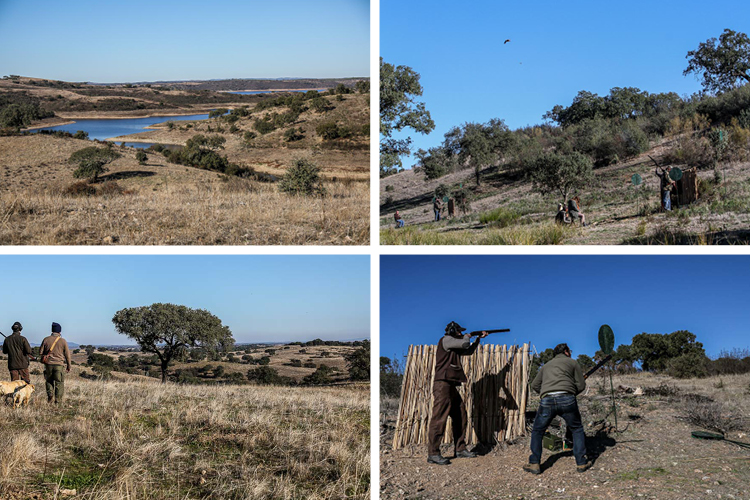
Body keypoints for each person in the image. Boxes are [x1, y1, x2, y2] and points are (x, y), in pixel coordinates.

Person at [524, 343, 591, 475]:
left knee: (538, 430)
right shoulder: (572, 362)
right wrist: (570, 391)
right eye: (569, 350)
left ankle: (534, 463)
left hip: (547, 400)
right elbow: (581, 385)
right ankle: (581, 463)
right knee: (577, 429)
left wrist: (546, 393)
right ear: (566, 351)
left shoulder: (546, 365)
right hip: (567, 398)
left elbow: (535, 384)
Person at [427, 321, 488, 465]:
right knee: (439, 418)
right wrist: (469, 335)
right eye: (459, 332)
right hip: (443, 383)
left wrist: (478, 339)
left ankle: (460, 449)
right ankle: (433, 453)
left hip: (450, 385)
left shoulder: (453, 344)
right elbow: (465, 344)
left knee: (461, 415)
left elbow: (468, 350)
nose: (461, 334)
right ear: (453, 331)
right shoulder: (446, 340)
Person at [39, 322, 71, 404]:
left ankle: (50, 396)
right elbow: (67, 355)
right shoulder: (63, 341)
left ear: (52, 330)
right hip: (59, 365)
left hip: (48, 365)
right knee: (59, 383)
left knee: (49, 381)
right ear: (59, 332)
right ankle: (58, 400)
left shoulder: (46, 339)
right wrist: (69, 366)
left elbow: (40, 352)